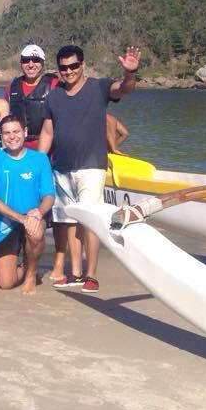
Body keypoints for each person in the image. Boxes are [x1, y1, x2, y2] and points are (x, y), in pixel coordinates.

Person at [39, 45, 140, 293]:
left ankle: (91, 275)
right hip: (61, 167)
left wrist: (130, 73)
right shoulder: (54, 96)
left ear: (83, 64)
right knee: (70, 220)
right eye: (63, 68)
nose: (69, 71)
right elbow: (48, 131)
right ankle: (75, 273)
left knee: (90, 220)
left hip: (92, 167)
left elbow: (124, 89)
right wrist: (39, 162)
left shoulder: (99, 87)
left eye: (73, 66)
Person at [5, 42, 63, 280]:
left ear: (43, 63)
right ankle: (24, 259)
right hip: (18, 154)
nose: (31, 64)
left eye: (35, 60)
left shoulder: (54, 84)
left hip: (48, 155)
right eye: (26, 60)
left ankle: (57, 262)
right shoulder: (12, 87)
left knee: (53, 213)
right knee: (21, 206)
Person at [0, 115, 55, 295]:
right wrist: (21, 218)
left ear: (25, 132)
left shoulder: (40, 159)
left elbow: (49, 196)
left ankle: (31, 274)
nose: (12, 137)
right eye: (6, 133)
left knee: (35, 231)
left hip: (33, 216)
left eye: (16, 131)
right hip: (7, 221)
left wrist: (38, 212)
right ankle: (25, 265)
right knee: (6, 283)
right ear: (1, 136)